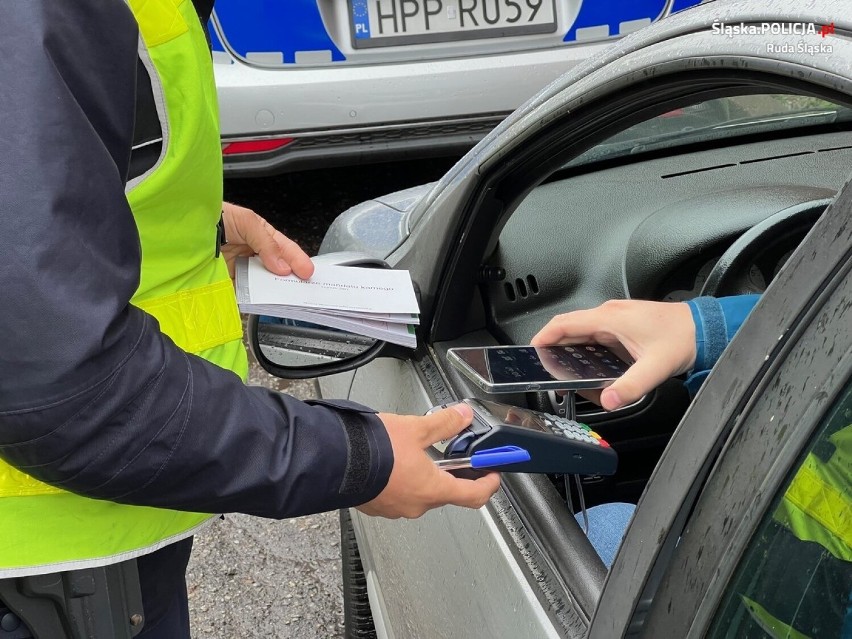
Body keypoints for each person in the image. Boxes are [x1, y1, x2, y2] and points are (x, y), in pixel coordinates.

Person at [0, 2, 498, 637]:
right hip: (42, 576)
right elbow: (58, 384)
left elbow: (43, 198)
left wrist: (199, 227)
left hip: (93, 535)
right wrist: (352, 457)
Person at [533, 296, 852, 637]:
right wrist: (707, 332)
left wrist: (712, 333)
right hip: (753, 577)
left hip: (757, 598)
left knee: (594, 533)